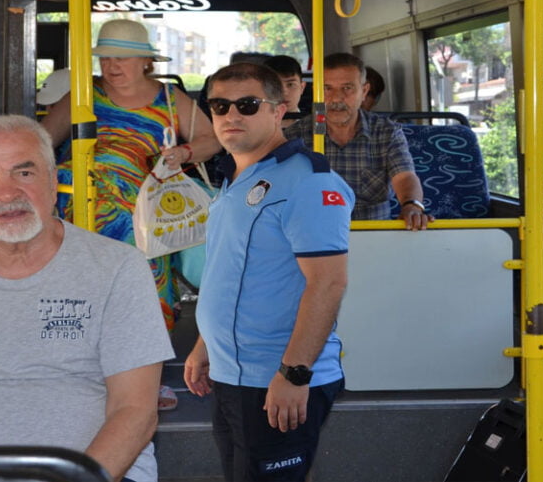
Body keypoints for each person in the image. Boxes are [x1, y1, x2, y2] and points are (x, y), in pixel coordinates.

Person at [0, 115, 174, 482]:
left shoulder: (118, 268)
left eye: (23, 173)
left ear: (54, 182)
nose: (7, 194)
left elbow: (135, 410)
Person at [183, 63, 351, 482]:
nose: (231, 115)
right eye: (220, 106)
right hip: (232, 373)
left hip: (277, 376)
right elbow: (231, 274)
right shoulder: (235, 178)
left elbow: (328, 283)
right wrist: (206, 346)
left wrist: (294, 373)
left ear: (278, 111)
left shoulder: (306, 182)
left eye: (247, 104)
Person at [41, 19, 220, 331]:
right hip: (82, 216)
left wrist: (184, 153)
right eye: (106, 58)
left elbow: (213, 139)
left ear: (145, 61)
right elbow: (42, 142)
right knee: (85, 298)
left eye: (121, 58)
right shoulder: (83, 93)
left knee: (143, 295)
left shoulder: (170, 98)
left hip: (146, 216)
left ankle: (145, 370)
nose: (111, 66)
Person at [284, 53, 432, 229]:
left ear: (364, 91)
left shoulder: (386, 132)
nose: (336, 98)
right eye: (326, 88)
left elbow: (405, 176)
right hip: (314, 236)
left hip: (374, 235)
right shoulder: (295, 136)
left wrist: (412, 206)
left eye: (347, 88)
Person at [263, 55, 306, 126]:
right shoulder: (254, 126)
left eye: (290, 85)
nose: (284, 92)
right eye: (275, 85)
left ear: (302, 88)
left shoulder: (313, 126)